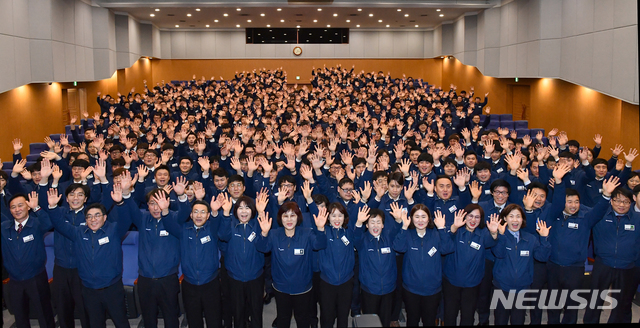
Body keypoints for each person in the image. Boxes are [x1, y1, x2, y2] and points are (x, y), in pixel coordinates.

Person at [47, 175, 134, 328]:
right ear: (85, 219)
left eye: (97, 216)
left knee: (121, 322)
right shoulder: (79, 233)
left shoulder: (114, 231)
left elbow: (126, 220)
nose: (93, 219)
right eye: (89, 217)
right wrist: (53, 208)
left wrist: (120, 203)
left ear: (105, 217)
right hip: (89, 289)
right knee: (95, 323)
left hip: (112, 288)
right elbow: (60, 224)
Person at [255, 202, 328, 328]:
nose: (289, 220)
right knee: (283, 319)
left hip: (303, 288)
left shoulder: (307, 234)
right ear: (280, 218)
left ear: (298, 217)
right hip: (281, 288)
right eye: (285, 216)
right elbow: (262, 248)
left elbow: (320, 245)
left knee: (303, 319)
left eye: (292, 216)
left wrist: (321, 229)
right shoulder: (274, 234)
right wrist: (264, 233)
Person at [582, 184, 640, 324]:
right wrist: (605, 195)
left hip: (627, 267)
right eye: (618, 200)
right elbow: (589, 219)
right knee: (595, 301)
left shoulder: (637, 218)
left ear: (631, 202)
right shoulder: (600, 215)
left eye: (626, 201)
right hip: (603, 264)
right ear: (611, 201)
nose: (622, 204)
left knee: (624, 304)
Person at [390, 204, 455, 327]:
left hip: (432, 289)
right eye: (417, 217)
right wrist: (403, 227)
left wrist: (441, 228)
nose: (420, 220)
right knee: (412, 320)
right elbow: (398, 248)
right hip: (411, 289)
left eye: (424, 216)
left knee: (429, 321)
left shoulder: (436, 234)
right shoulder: (407, 234)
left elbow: (447, 249)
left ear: (429, 219)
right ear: (411, 218)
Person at [1, 192, 56, 328]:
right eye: (13, 207)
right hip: (14, 280)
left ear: (27, 207)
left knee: (44, 313)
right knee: (20, 316)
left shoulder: (36, 224)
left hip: (36, 278)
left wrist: (37, 207)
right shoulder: (4, 228)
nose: (17, 209)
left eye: (21, 205)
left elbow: (49, 223)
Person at [491, 204, 551, 325]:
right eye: (511, 216)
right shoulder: (499, 236)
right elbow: (499, 253)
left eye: (518, 216)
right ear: (505, 219)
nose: (515, 220)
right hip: (502, 287)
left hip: (522, 288)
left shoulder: (530, 239)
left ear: (522, 220)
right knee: (500, 320)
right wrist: (501, 236)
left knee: (518, 320)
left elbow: (542, 257)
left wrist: (544, 239)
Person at [443, 204, 499, 326]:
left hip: (472, 283)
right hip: (452, 282)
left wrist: (494, 233)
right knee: (450, 315)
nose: (473, 220)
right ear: (464, 216)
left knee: (468, 316)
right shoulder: (455, 231)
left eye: (477, 217)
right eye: (470, 216)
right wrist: (453, 228)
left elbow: (492, 243)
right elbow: (444, 248)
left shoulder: (483, 233)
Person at [218, 193, 268, 328]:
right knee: (238, 313)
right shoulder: (230, 224)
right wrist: (226, 213)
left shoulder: (259, 224)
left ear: (252, 210)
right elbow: (222, 236)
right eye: (240, 208)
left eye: (247, 208)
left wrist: (262, 215)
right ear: (235, 211)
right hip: (235, 278)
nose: (244, 211)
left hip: (255, 277)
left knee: (256, 312)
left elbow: (264, 248)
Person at [353, 207, 401, 327]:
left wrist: (399, 220)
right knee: (370, 322)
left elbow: (397, 230)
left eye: (378, 222)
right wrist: (358, 223)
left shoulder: (388, 238)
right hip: (369, 289)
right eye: (372, 222)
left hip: (388, 289)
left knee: (385, 320)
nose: (375, 226)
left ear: (383, 225)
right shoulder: (363, 241)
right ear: (367, 225)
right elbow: (356, 238)